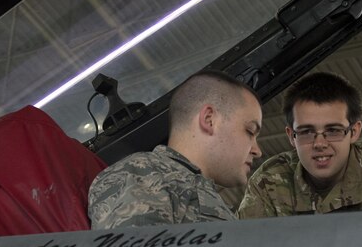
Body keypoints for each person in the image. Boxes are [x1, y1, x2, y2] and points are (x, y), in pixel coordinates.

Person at [89, 70, 262, 229]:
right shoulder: (143, 172)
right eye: (250, 131)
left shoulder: (191, 189)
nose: (257, 151)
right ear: (209, 120)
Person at [238, 72, 362, 218]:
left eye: (333, 130)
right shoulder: (270, 182)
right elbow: (246, 244)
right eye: (306, 132)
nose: (319, 144)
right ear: (291, 136)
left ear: (354, 132)